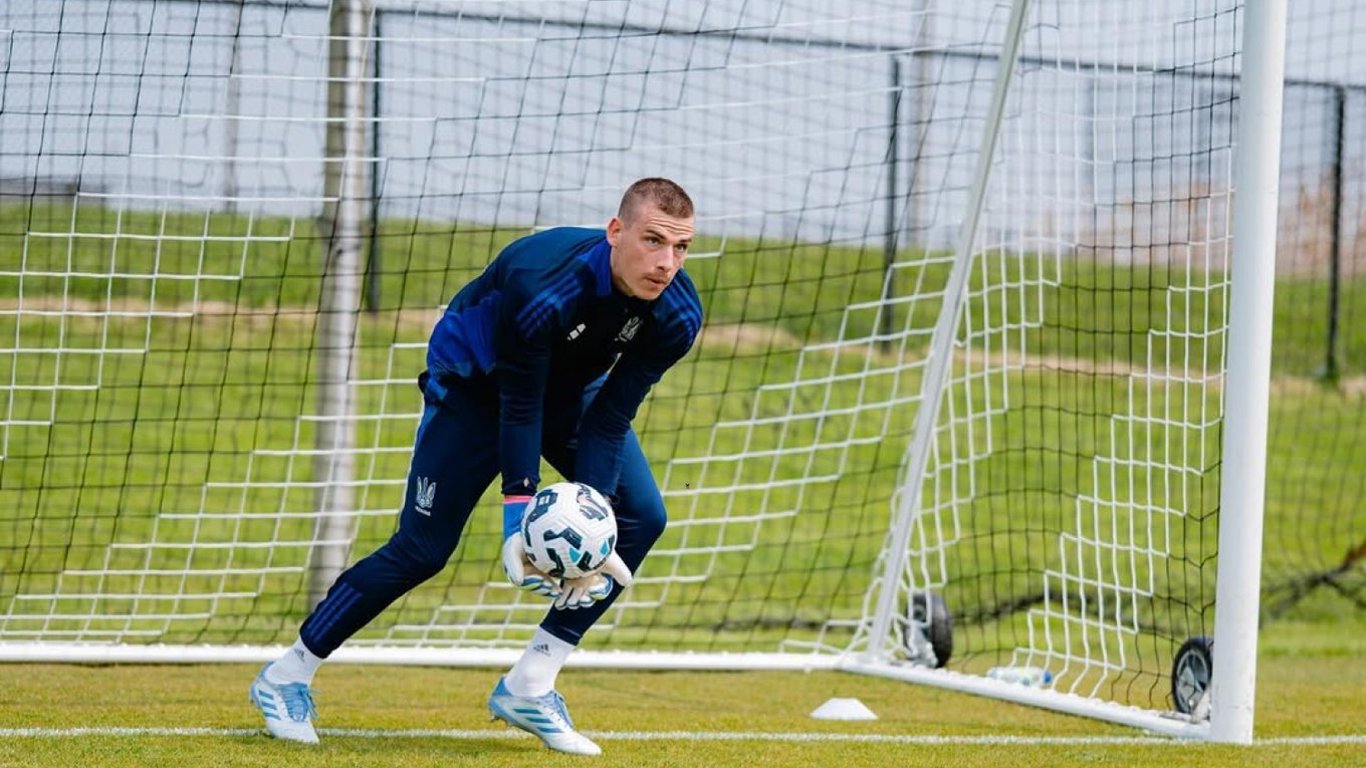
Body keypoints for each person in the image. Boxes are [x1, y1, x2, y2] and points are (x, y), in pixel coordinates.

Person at [249, 178, 701, 756]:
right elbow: (519, 402)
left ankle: (530, 685)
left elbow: (610, 418)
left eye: (681, 247)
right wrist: (518, 516)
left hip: (570, 394)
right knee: (421, 550)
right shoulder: (543, 282)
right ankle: (286, 675)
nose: (666, 263)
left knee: (640, 516)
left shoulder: (678, 314)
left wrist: (590, 528)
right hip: (474, 387)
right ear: (616, 232)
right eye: (653, 240)